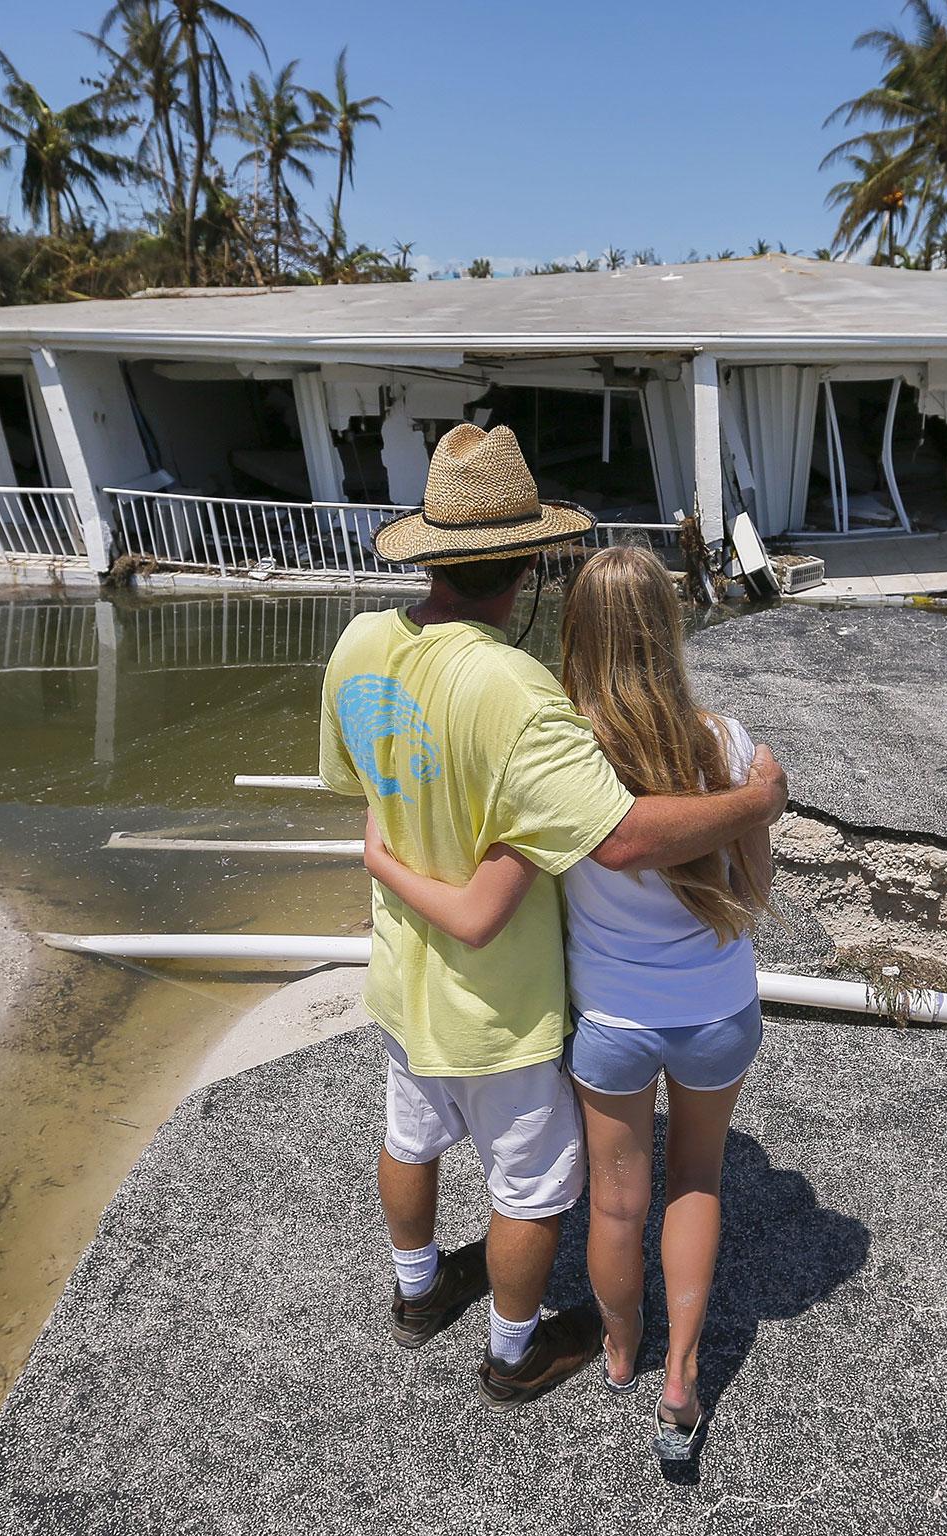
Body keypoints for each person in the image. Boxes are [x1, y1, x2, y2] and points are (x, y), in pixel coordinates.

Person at [320, 423, 787, 1411]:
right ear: (527, 564)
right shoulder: (515, 691)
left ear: (430, 549)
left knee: (409, 1137)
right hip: (498, 1006)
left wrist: (384, 849)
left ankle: (415, 1294)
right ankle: (510, 1353)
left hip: (402, 977)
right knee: (526, 1190)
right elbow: (618, 836)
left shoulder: (359, 640)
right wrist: (750, 803)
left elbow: (362, 780)